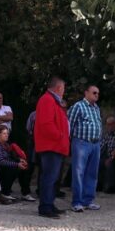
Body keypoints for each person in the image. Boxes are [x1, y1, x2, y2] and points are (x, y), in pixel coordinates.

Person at [34, 77, 70, 219]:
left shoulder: (53, 101)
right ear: (58, 88)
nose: (64, 91)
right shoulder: (47, 100)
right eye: (63, 88)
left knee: (53, 177)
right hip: (51, 145)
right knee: (49, 177)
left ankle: (49, 203)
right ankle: (45, 207)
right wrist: (60, 135)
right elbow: (46, 124)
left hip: (55, 145)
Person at [67, 84, 103, 212]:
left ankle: (88, 200)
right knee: (79, 173)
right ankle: (77, 202)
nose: (96, 95)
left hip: (95, 144)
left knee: (92, 173)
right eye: (94, 92)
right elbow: (69, 125)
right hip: (81, 143)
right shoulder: (78, 106)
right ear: (86, 93)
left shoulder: (96, 108)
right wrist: (71, 142)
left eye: (98, 93)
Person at [0, 125, 31, 200]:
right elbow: (1, 161)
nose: (7, 135)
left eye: (7, 133)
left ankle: (25, 193)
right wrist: (17, 164)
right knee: (13, 168)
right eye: (4, 133)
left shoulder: (6, 144)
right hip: (0, 168)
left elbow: (11, 157)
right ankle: (5, 192)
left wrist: (19, 160)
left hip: (7, 165)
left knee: (24, 168)